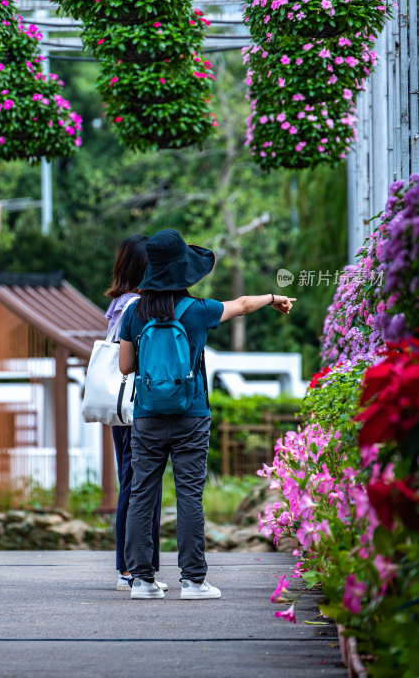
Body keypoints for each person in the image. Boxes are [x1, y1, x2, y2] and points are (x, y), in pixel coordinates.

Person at [119, 228, 296, 600]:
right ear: (185, 272)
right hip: (191, 415)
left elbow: (124, 367)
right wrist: (275, 297)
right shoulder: (199, 311)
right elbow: (244, 303)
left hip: (148, 415)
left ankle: (142, 581)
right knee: (189, 495)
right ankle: (193, 581)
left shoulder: (135, 312)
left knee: (142, 495)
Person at [104, 234, 166, 592]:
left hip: (122, 407)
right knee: (137, 483)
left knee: (134, 481)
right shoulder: (133, 307)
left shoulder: (122, 303)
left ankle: (135, 567)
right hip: (134, 406)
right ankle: (131, 569)